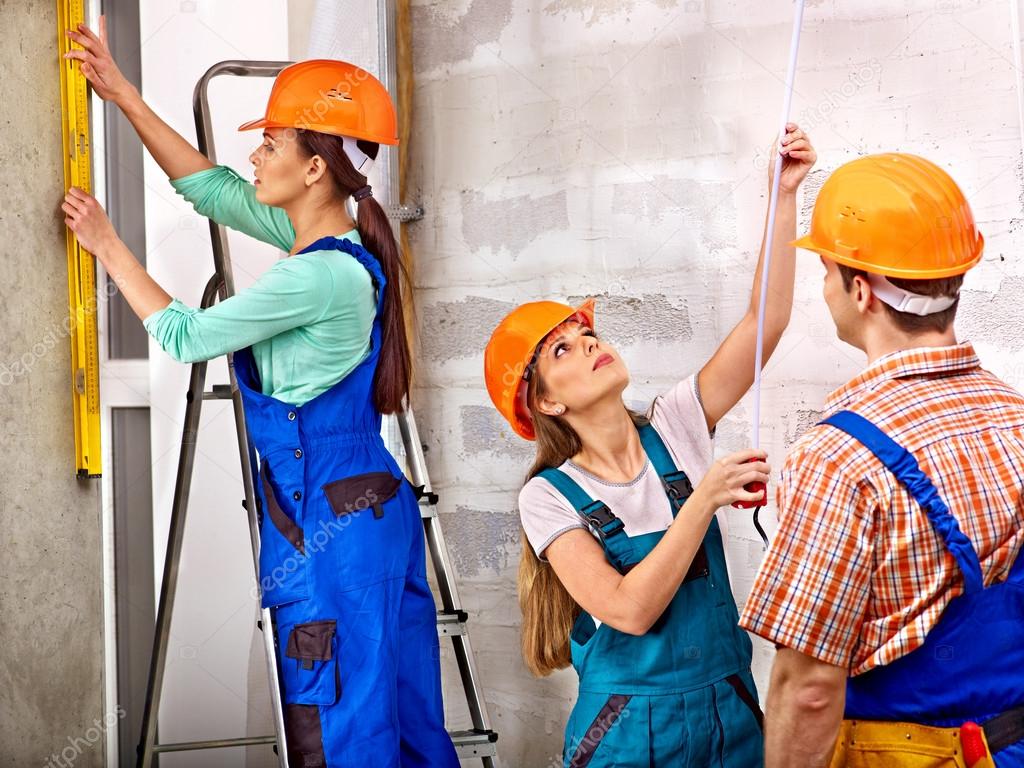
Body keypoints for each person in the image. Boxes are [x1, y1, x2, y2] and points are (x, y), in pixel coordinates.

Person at [61, 20, 458, 767]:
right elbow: (210, 188)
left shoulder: (315, 275)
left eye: (271, 144)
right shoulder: (330, 243)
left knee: (339, 723)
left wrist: (108, 244)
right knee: (397, 711)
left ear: (314, 168)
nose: (255, 155)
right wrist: (122, 94)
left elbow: (184, 335)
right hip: (362, 508)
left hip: (328, 516)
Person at [483, 127, 816, 766]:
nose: (588, 344)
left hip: (730, 715)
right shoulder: (547, 498)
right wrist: (706, 498)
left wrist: (783, 195)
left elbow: (764, 323)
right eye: (562, 350)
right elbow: (628, 612)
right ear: (546, 402)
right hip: (630, 733)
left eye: (586, 334)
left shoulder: (677, 424)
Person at [739, 153, 1024, 768]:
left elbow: (811, 690)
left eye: (825, 270)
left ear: (861, 290)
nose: (825, 287)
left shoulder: (839, 458)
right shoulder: (1016, 417)